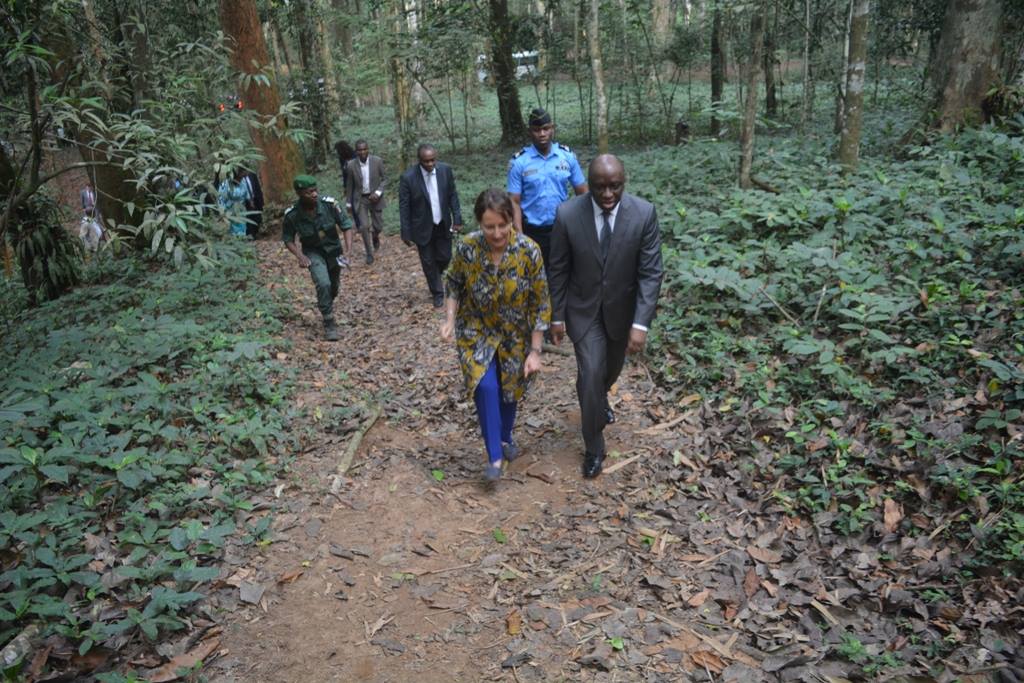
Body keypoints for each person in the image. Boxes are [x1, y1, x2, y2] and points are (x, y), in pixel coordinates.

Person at [548, 154, 664, 479]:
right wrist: (556, 316)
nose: (608, 194)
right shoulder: (568, 215)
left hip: (622, 313)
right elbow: (557, 270)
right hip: (582, 311)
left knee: (606, 373)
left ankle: (597, 395)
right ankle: (594, 447)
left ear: (624, 183)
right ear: (589, 184)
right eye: (600, 187)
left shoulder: (643, 214)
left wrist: (641, 323)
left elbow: (651, 273)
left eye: (615, 186)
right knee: (591, 371)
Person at [441, 189, 551, 482]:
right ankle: (495, 456)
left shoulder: (529, 251)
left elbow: (541, 303)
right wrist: (450, 320)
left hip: (516, 333)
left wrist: (535, 351)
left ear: (511, 221)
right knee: (486, 386)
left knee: (510, 388)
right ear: (479, 223)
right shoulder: (467, 248)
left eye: (503, 225)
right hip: (476, 329)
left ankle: (504, 437)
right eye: (489, 227)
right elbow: (452, 283)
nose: (497, 233)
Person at [507, 107, 588, 272]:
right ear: (530, 132)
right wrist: (520, 236)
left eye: (546, 129)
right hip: (532, 231)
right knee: (534, 274)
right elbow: (514, 201)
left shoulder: (567, 157)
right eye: (537, 130)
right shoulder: (519, 162)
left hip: (562, 229)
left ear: (552, 129)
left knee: (563, 274)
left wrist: (581, 225)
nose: (542, 134)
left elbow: (583, 193)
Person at [282, 175, 354, 341]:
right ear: (300, 193)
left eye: (315, 190)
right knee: (323, 283)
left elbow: (346, 226)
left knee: (333, 287)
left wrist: (348, 251)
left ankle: (326, 301)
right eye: (309, 192)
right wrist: (299, 256)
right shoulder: (292, 214)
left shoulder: (330, 205)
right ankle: (329, 322)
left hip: (334, 251)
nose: (314, 194)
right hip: (313, 252)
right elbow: (288, 239)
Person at [399, 144, 464, 308]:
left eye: (432, 160)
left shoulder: (445, 171)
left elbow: (452, 195)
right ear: (419, 160)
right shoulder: (408, 177)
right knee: (428, 262)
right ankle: (437, 293)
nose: (429, 164)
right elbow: (404, 206)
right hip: (421, 226)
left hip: (442, 223)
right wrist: (405, 232)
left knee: (445, 257)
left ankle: (438, 275)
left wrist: (457, 218)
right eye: (426, 161)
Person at [344, 139, 386, 264]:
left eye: (364, 149)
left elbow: (385, 179)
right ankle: (369, 253)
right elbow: (349, 185)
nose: (362, 152)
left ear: (368, 149)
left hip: (375, 198)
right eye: (359, 150)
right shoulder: (351, 165)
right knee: (364, 226)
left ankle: (375, 236)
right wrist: (348, 202)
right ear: (356, 151)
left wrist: (378, 192)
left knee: (378, 226)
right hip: (360, 199)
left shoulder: (377, 161)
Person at [218, 167, 252, 237]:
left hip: (241, 209)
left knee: (242, 228)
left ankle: (242, 242)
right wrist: (222, 212)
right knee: (232, 230)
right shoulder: (225, 184)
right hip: (230, 210)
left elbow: (246, 193)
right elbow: (220, 199)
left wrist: (250, 201)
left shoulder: (243, 181)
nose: (240, 179)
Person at [239, 167, 264, 239]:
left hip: (255, 200)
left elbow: (257, 187)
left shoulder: (252, 175)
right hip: (245, 202)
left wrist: (261, 201)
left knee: (258, 218)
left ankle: (255, 233)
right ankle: (251, 236)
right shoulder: (238, 178)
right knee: (249, 219)